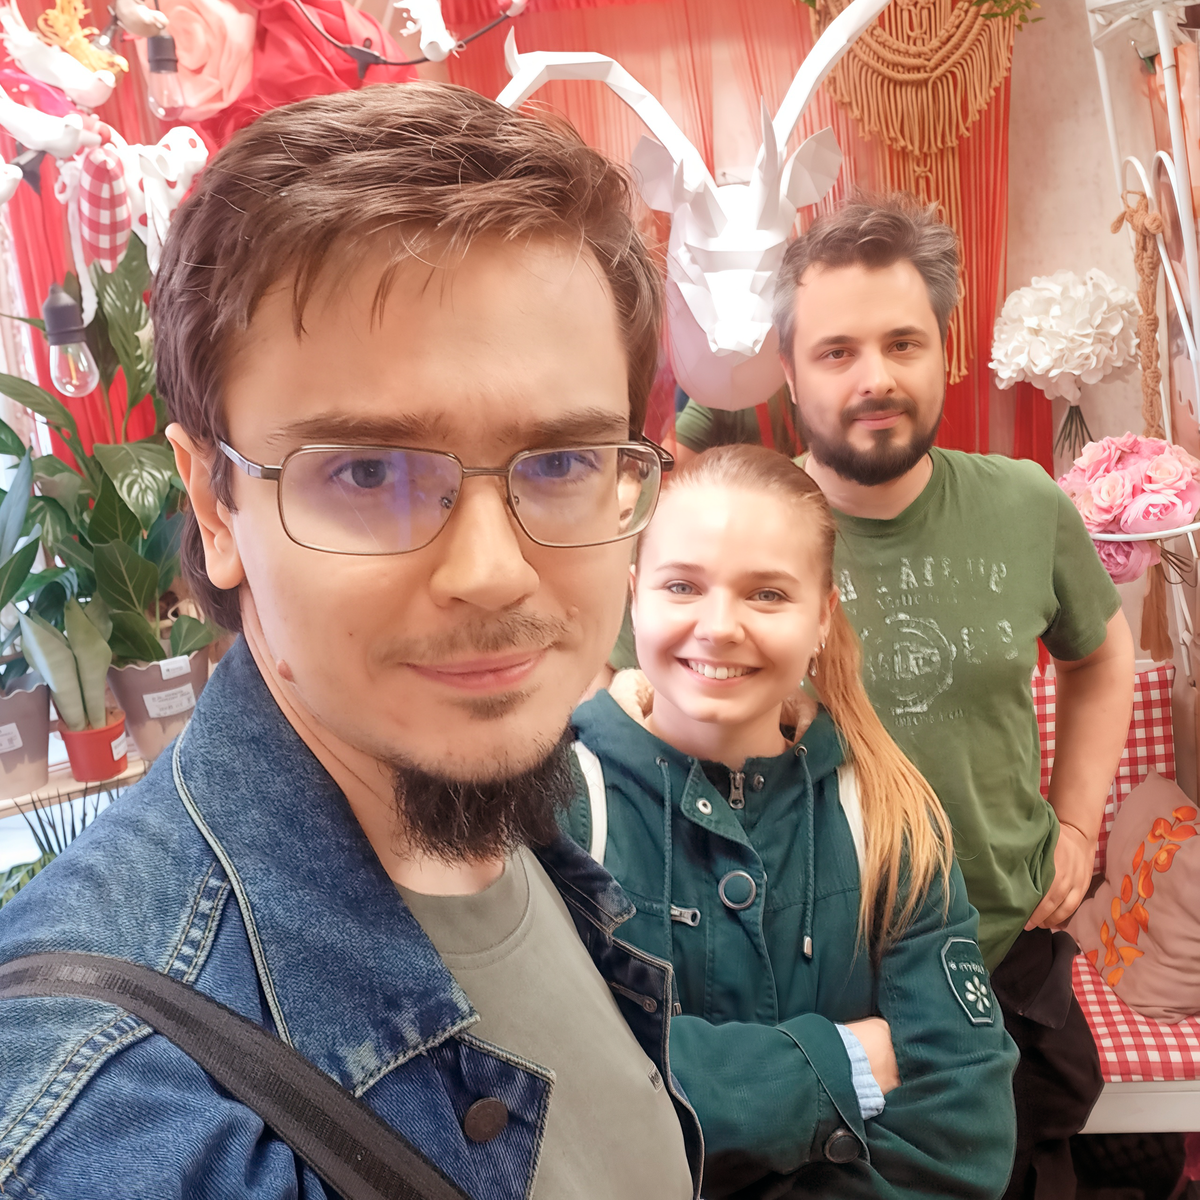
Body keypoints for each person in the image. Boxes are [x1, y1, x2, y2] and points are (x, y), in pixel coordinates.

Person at [0, 85, 703, 1199]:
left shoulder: (516, 804)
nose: (491, 572)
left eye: (564, 461)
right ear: (216, 505)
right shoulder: (107, 1111)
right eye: (368, 471)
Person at [772, 196, 1136, 1200]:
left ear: (946, 352)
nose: (876, 377)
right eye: (837, 351)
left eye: (903, 343)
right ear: (790, 372)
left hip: (1003, 959)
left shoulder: (1026, 503)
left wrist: (1077, 824)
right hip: (803, 985)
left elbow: (1104, 654)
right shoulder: (737, 526)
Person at [566, 443, 1020, 1199]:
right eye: (683, 586)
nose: (719, 626)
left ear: (822, 618)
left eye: (767, 594)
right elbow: (548, 1091)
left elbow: (961, 1133)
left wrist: (673, 1076)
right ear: (635, 596)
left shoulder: (890, 818)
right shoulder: (561, 811)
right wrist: (839, 1064)